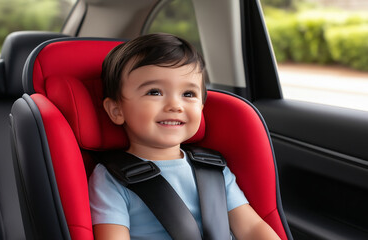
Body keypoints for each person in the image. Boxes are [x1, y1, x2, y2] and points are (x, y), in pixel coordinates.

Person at [88, 33, 280, 240]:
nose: (175, 106)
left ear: (201, 107)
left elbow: (251, 229)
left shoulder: (214, 169)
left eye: (188, 94)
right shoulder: (111, 179)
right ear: (117, 110)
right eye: (154, 92)